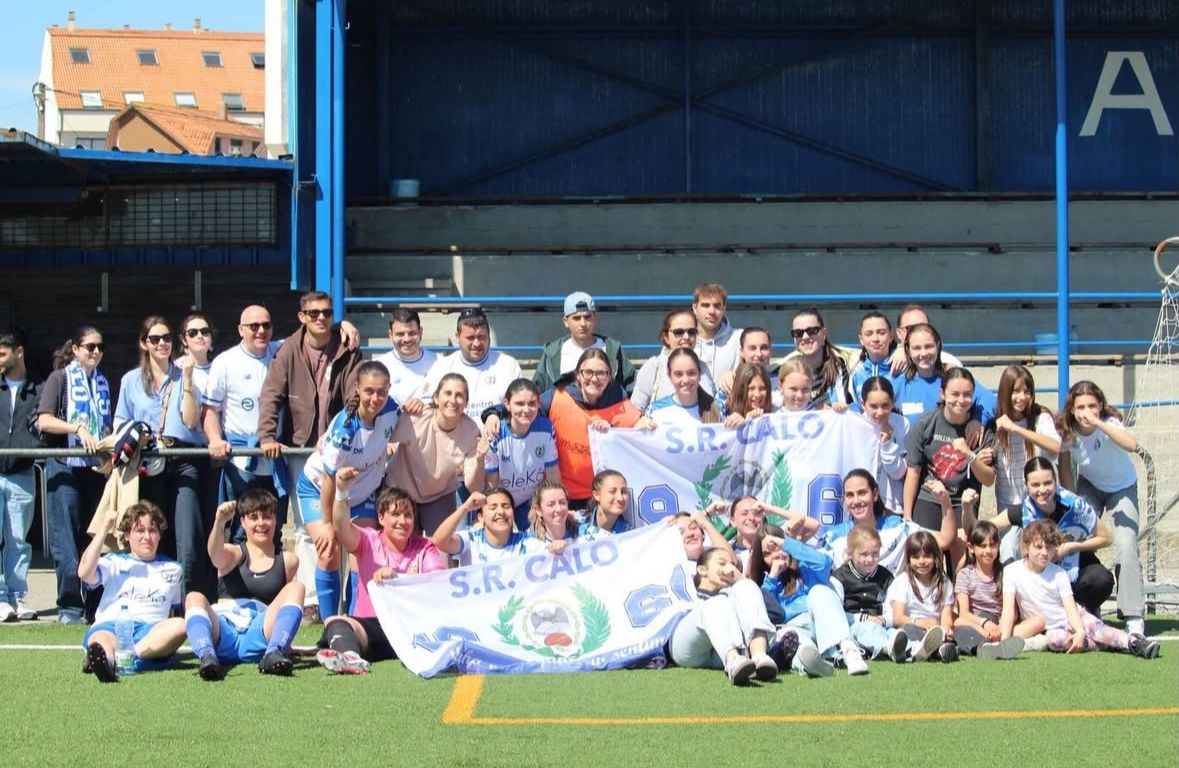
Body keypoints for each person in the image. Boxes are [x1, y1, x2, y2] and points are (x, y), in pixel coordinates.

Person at [258, 290, 364, 623]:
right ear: (301, 316)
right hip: (301, 449)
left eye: (327, 313)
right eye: (314, 313)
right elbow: (271, 395)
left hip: (342, 449)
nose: (321, 318)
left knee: (346, 524)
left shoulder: (348, 348)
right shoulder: (289, 349)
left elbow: (356, 396)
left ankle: (351, 597)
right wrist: (266, 435)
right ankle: (312, 600)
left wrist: (341, 435)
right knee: (308, 528)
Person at [114, 315, 214, 601]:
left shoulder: (183, 373)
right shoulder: (131, 380)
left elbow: (192, 421)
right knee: (154, 530)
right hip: (150, 460)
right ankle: (158, 599)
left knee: (188, 534)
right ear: (144, 344)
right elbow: (120, 422)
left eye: (167, 338)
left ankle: (189, 600)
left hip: (184, 456)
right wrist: (138, 434)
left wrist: (187, 382)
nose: (162, 344)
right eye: (155, 339)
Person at [316, 468, 447, 674]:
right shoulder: (368, 540)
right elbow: (341, 527)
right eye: (395, 514)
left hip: (411, 627)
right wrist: (341, 492)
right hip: (373, 626)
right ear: (381, 517)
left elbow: (437, 582)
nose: (402, 521)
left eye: (408, 515)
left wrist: (401, 579)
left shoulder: (425, 547)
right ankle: (350, 657)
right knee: (335, 621)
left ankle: (338, 648)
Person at [296, 361, 399, 620]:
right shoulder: (346, 426)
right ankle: (331, 622)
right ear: (357, 389)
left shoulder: (393, 409)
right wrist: (329, 524)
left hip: (361, 495)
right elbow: (330, 478)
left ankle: (357, 620)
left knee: (362, 552)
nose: (376, 398)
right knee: (329, 549)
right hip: (319, 488)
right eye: (369, 391)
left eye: (381, 392)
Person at [486, 349, 644, 511]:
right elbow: (526, 406)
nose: (594, 379)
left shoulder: (620, 404)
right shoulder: (558, 397)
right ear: (578, 374)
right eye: (588, 372)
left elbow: (640, 430)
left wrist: (644, 424)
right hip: (565, 497)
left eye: (601, 373)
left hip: (603, 497)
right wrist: (494, 413)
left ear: (609, 376)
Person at [183, 489, 305, 679]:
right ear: (243, 522)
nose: (261, 523)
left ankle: (275, 653)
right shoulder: (234, 554)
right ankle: (207, 656)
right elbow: (214, 555)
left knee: (297, 588)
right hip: (225, 632)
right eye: (253, 517)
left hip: (258, 633)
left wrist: (285, 640)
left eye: (267, 517)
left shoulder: (288, 560)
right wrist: (220, 521)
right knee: (194, 597)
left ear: (275, 519)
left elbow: (283, 607)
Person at [1056, 380, 1146, 637]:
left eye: (1092, 406)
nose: (1086, 411)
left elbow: (1131, 444)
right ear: (1072, 409)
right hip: (1090, 486)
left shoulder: (1108, 424)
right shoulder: (1067, 431)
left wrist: (1098, 423)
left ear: (1100, 406)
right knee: (1076, 533)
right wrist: (1073, 501)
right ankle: (1088, 601)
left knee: (1126, 544)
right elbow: (1064, 466)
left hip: (1122, 487)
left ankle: (1133, 615)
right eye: (1081, 406)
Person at [37, 325, 112, 624]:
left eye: (100, 346)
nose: (96, 352)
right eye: (90, 347)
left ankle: (95, 605)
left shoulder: (103, 381)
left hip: (95, 468)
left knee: (94, 538)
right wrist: (77, 428)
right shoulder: (60, 378)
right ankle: (69, 607)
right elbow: (43, 420)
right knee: (66, 539)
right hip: (65, 465)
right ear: (76, 350)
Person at [1000, 519, 1159, 658]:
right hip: (1052, 629)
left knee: (1097, 629)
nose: (1044, 553)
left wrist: (1080, 631)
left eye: (1049, 548)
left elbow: (1071, 609)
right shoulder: (1011, 572)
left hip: (1075, 618)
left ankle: (1135, 644)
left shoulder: (1058, 574)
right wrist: (1004, 641)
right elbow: (1008, 610)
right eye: (1038, 547)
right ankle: (1105, 644)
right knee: (1055, 641)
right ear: (1026, 548)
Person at [988, 456, 1115, 616]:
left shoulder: (1074, 505)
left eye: (1047, 483)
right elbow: (987, 527)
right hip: (1044, 575)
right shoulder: (1024, 511)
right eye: (1035, 485)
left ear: (1056, 482)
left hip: (1076, 565)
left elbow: (1106, 538)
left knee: (1101, 580)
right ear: (1026, 486)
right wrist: (966, 515)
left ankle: (1085, 611)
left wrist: (1071, 546)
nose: (1042, 490)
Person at [78, 501, 186, 683]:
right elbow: (84, 573)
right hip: (111, 625)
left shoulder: (174, 569)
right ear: (127, 535)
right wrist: (104, 528)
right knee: (101, 639)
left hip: (149, 631)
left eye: (152, 531)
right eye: (139, 530)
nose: (147, 537)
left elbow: (172, 611)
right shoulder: (113, 562)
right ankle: (106, 662)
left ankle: (124, 659)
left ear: (159, 535)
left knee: (181, 625)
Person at [203, 305, 286, 546]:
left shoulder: (282, 352)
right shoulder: (225, 362)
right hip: (241, 461)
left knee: (274, 530)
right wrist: (215, 439)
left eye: (266, 325)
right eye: (254, 326)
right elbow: (210, 411)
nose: (261, 331)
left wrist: (341, 325)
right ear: (241, 330)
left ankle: (272, 584)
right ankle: (239, 584)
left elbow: (312, 334)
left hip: (275, 459)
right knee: (242, 531)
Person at [750, 526, 869, 676]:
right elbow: (770, 613)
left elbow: (825, 563)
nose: (775, 555)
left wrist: (785, 543)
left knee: (819, 591)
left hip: (820, 621)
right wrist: (773, 578)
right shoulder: (765, 584)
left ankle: (849, 651)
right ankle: (814, 664)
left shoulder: (804, 568)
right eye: (768, 553)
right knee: (791, 641)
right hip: (793, 627)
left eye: (777, 548)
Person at [386, 373, 487, 534]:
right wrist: (387, 445)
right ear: (435, 398)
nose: (453, 400)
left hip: (439, 495)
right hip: (400, 489)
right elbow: (381, 435)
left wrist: (480, 459)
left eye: (459, 395)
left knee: (444, 550)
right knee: (402, 552)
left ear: (466, 403)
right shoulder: (415, 418)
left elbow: (473, 485)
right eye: (448, 393)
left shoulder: (470, 431)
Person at [903, 368, 995, 540]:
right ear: (942, 394)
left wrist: (970, 455)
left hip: (963, 500)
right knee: (925, 552)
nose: (961, 400)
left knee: (961, 552)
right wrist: (907, 517)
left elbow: (989, 480)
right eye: (955, 394)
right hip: (929, 498)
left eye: (967, 394)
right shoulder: (926, 424)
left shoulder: (982, 431)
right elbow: (913, 473)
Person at [669, 547, 779, 685]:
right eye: (722, 563)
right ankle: (732, 661)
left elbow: (777, 614)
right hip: (689, 648)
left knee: (746, 586)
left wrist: (741, 579)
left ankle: (759, 656)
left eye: (733, 565)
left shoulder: (734, 592)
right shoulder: (685, 588)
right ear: (702, 569)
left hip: (731, 649)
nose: (729, 568)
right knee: (717, 602)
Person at [821, 469, 957, 575]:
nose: (856, 501)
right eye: (850, 495)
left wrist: (945, 501)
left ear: (875, 494)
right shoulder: (834, 536)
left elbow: (945, 539)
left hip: (892, 607)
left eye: (862, 493)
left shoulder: (899, 528)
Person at [988, 365, 1060, 561]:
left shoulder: (1040, 417)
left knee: (1042, 553)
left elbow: (1056, 446)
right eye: (1016, 391)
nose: (1022, 397)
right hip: (1009, 504)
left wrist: (1017, 430)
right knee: (1009, 552)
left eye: (1027, 391)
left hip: (1040, 501)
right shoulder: (995, 423)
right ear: (1005, 392)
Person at [0, 329, 42, 622]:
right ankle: (0, 597)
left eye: (2, 353)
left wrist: (33, 448)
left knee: (18, 539)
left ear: (19, 352)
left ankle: (17, 597)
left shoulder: (38, 386)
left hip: (22, 472)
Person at [422, 308, 522, 422]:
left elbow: (521, 405)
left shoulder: (508, 365)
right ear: (457, 337)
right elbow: (427, 406)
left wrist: (495, 414)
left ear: (489, 336)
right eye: (470, 338)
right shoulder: (442, 367)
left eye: (481, 337)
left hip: (498, 438)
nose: (476, 343)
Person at [485, 379, 559, 531]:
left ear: (539, 404)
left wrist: (555, 502)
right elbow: (491, 484)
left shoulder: (546, 428)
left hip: (529, 501)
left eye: (532, 403)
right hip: (502, 499)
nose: (526, 409)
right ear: (507, 404)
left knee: (541, 542)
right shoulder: (496, 433)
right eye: (519, 404)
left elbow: (552, 473)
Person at [829, 526, 910, 664]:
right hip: (854, 627)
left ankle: (915, 649)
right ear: (850, 553)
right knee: (866, 630)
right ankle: (887, 648)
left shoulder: (886, 577)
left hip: (881, 625)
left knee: (896, 633)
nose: (870, 559)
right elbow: (836, 613)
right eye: (864, 554)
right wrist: (863, 618)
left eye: (875, 554)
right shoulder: (839, 577)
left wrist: (883, 620)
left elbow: (893, 609)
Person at [533, 292, 635, 394]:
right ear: (566, 321)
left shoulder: (612, 350)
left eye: (587, 317)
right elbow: (536, 393)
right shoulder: (552, 353)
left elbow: (631, 389)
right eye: (576, 318)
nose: (583, 324)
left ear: (594, 319)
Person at [952, 520, 1024, 659]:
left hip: (1001, 624)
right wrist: (984, 626)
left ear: (998, 546)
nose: (988, 551)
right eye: (982, 546)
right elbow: (964, 614)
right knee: (958, 623)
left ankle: (1003, 643)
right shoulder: (965, 574)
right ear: (971, 547)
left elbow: (1011, 612)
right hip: (976, 622)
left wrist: (1001, 628)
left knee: (1037, 622)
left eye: (992, 545)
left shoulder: (1006, 572)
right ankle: (984, 646)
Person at [884, 531, 958, 662]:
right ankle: (928, 649)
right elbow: (898, 618)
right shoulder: (903, 581)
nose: (922, 562)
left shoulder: (944, 582)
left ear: (936, 557)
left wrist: (946, 629)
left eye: (927, 556)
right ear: (909, 559)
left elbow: (946, 616)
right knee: (908, 631)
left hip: (935, 630)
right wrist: (921, 623)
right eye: (916, 557)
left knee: (963, 631)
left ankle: (945, 647)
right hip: (910, 626)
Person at [630, 309, 715, 414]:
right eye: (678, 332)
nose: (686, 337)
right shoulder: (653, 366)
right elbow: (635, 410)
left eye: (691, 332)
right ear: (666, 337)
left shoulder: (703, 367)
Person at [432, 488, 531, 565]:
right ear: (481, 517)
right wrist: (465, 508)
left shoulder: (525, 542)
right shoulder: (471, 540)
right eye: (493, 507)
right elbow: (439, 541)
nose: (501, 512)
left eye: (506, 506)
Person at [780, 308, 855, 407]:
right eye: (798, 333)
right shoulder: (787, 370)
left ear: (823, 334)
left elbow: (847, 407)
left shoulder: (843, 366)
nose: (805, 337)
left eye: (812, 331)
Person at [859, 376, 908, 512]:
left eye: (885, 406)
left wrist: (887, 443)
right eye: (873, 406)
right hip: (861, 504)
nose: (880, 412)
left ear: (893, 402)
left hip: (891, 506)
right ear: (863, 404)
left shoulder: (902, 424)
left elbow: (898, 473)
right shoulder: (855, 425)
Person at [373, 308, 438, 406]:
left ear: (420, 332)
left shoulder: (439, 363)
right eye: (400, 334)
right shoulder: (377, 367)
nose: (406, 339)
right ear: (390, 335)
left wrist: (427, 404)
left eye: (412, 333)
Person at [523, 482, 605, 554]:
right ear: (538, 510)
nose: (559, 509)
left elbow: (615, 542)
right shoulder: (527, 542)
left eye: (562, 503)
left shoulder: (586, 533)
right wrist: (547, 549)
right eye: (551, 504)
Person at [649, 348, 722, 426]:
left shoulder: (718, 408)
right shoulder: (655, 409)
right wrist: (642, 428)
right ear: (670, 377)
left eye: (691, 373)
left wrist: (735, 422)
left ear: (700, 375)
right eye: (679, 374)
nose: (685, 380)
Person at [888, 304, 964, 375]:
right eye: (910, 328)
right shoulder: (887, 362)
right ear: (898, 333)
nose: (917, 332)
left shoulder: (949, 362)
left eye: (923, 326)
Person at [691, 282, 742, 382]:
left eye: (717, 306)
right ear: (695, 308)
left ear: (724, 308)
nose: (712, 311)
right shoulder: (682, 339)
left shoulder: (739, 338)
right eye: (705, 305)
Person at [850, 311, 899, 400]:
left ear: (891, 336)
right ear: (861, 339)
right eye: (869, 334)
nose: (875, 339)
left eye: (881, 333)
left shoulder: (902, 368)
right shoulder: (856, 373)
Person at [722, 362, 773, 428]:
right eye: (751, 388)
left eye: (762, 389)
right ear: (740, 390)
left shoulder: (776, 414)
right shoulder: (723, 412)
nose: (757, 395)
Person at [590, 469, 631, 533]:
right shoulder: (574, 524)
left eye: (623, 492)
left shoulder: (630, 534)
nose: (620, 498)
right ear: (596, 495)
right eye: (612, 491)